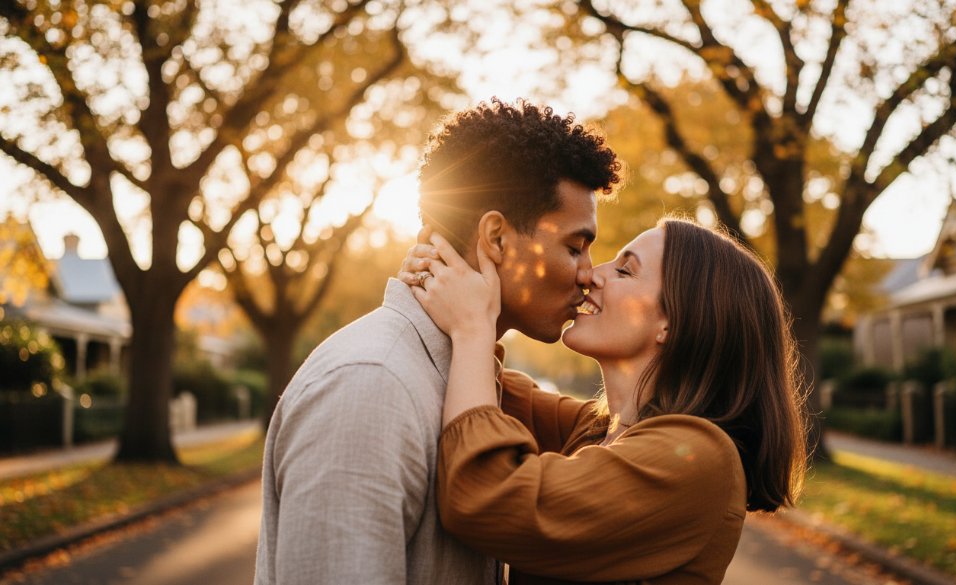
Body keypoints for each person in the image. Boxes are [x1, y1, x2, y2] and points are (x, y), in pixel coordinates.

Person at [253, 98, 620, 585]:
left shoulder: (462, 380)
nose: (587, 274)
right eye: (574, 247)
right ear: (497, 239)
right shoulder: (371, 388)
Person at [402, 217, 807, 584]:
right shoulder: (600, 430)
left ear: (674, 321)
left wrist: (473, 327)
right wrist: (447, 281)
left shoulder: (699, 459)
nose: (590, 275)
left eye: (624, 270)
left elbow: (486, 497)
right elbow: (487, 391)